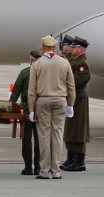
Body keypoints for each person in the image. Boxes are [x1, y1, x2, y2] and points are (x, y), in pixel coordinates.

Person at [28, 35, 75, 180]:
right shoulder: (64, 63)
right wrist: (70, 104)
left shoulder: (37, 64)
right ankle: (56, 170)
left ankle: (44, 170)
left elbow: (32, 89)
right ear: (54, 47)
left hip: (43, 100)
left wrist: (31, 108)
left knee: (44, 136)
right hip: (60, 100)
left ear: (42, 47)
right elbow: (71, 86)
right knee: (58, 135)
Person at [9, 49, 42, 175]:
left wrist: (9, 108)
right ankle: (38, 167)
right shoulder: (44, 72)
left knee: (26, 138)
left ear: (31, 60)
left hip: (27, 109)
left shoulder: (25, 73)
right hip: (41, 108)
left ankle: (28, 167)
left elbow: (15, 93)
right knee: (40, 139)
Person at [61, 36, 91, 172]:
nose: (71, 49)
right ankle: (71, 158)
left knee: (78, 130)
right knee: (71, 129)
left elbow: (76, 82)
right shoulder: (73, 61)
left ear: (80, 49)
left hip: (79, 98)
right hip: (73, 98)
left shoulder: (82, 64)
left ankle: (79, 161)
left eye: (73, 47)